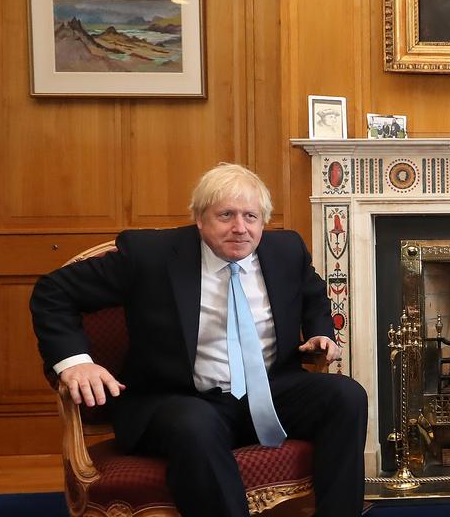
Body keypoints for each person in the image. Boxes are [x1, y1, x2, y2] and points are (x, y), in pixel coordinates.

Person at [30, 163, 368, 517]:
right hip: (176, 397)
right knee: (196, 423)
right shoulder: (151, 255)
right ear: (200, 218)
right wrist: (76, 362)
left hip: (270, 390)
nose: (240, 228)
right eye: (226, 215)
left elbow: (313, 294)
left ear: (263, 222)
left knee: (346, 396)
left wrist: (319, 331)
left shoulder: (287, 251)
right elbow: (53, 291)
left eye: (251, 216)